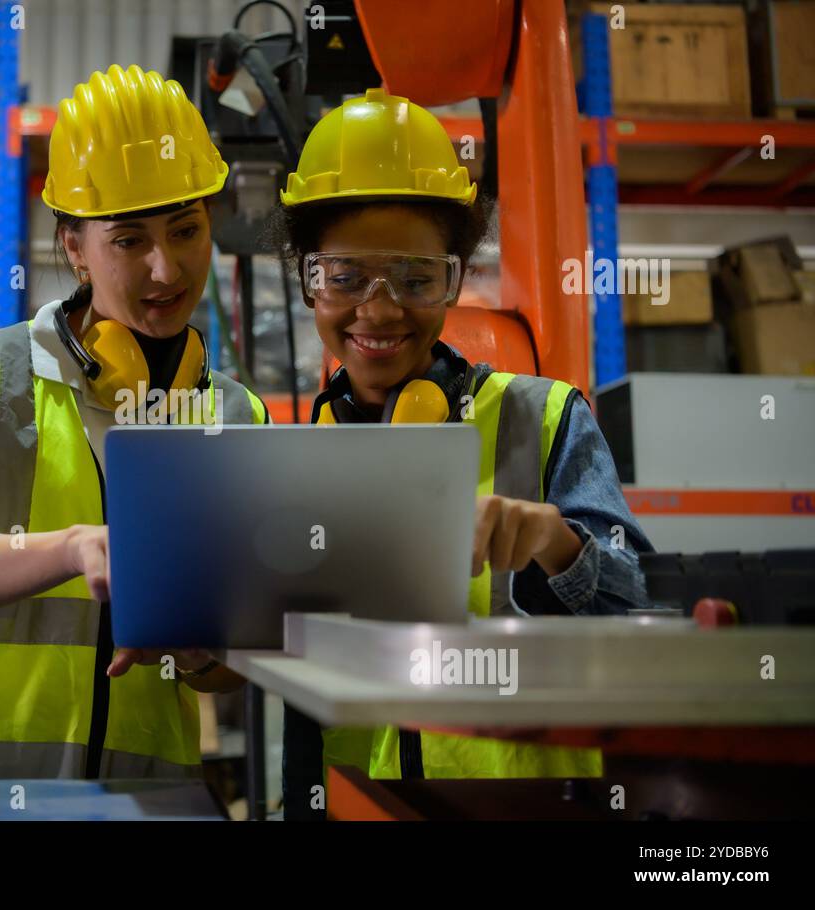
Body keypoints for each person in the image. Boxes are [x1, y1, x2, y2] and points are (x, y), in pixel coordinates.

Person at [271, 89, 653, 815]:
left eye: (416, 279)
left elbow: (642, 611)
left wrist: (558, 545)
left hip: (529, 813)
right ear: (308, 283)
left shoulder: (541, 419)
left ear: (454, 278)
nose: (379, 311)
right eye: (346, 278)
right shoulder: (285, 458)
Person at [0, 65, 266, 781]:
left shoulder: (235, 415)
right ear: (74, 249)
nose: (165, 269)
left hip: (138, 799)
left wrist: (201, 651)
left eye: (185, 230)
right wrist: (71, 549)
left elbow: (231, 669)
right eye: (128, 241)